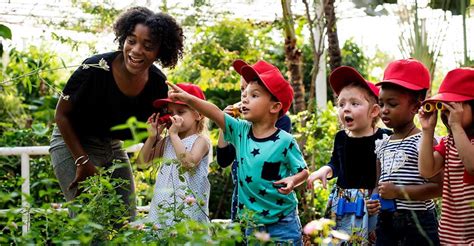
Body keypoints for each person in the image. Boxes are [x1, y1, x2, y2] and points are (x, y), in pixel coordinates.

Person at [49, 6, 184, 220]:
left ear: (161, 50)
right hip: (72, 142)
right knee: (90, 222)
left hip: (111, 145)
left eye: (147, 45)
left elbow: (158, 130)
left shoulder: (158, 84)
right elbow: (61, 115)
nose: (136, 50)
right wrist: (82, 162)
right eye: (131, 40)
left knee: (126, 221)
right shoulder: (94, 68)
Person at [167, 60, 308, 245]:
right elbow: (214, 112)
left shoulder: (285, 140)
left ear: (274, 107)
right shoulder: (239, 130)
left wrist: (293, 180)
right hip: (251, 222)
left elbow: (304, 171)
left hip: (282, 222)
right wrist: (189, 99)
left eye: (254, 95)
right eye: (245, 94)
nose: (244, 99)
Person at [306, 66, 390, 244]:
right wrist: (325, 170)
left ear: (374, 111)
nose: (346, 109)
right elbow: (336, 163)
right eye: (341, 104)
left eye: (354, 103)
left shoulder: (384, 136)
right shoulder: (341, 138)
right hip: (342, 205)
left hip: (371, 204)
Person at [369, 58, 441, 245]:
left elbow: (438, 187)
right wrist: (374, 199)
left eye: (392, 104)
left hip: (418, 224)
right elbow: (378, 184)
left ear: (416, 106)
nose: (384, 110)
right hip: (386, 222)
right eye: (381, 103)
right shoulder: (382, 144)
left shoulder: (424, 141)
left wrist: (399, 192)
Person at [216, 59, 292, 221]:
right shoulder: (240, 125)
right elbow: (223, 160)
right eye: (242, 90)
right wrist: (224, 124)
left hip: (268, 204)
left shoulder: (281, 123)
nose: (244, 97)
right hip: (242, 197)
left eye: (253, 93)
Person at [136, 83, 210, 226]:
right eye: (170, 112)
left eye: (181, 112)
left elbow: (188, 163)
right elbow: (142, 163)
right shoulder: (168, 141)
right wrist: (151, 138)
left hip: (188, 213)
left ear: (199, 114)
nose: (173, 117)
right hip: (162, 211)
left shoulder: (201, 141)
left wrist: (174, 135)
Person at [418, 67, 474, 244]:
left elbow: (472, 165)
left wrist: (456, 126)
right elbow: (427, 170)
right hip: (450, 237)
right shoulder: (448, 142)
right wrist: (427, 131)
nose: (445, 113)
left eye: (453, 106)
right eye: (443, 107)